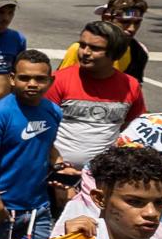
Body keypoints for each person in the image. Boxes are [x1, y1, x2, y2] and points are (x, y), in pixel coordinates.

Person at [0, 49, 65, 239]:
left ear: (50, 81)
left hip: (39, 208)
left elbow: (47, 146)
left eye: (40, 79)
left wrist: (61, 169)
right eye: (25, 78)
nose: (32, 84)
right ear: (13, 79)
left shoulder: (54, 111)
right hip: (4, 209)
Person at [45, 20, 146, 169]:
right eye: (82, 45)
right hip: (57, 172)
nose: (85, 52)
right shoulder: (57, 81)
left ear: (115, 53)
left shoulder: (131, 86)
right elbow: (42, 129)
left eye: (95, 48)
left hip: (103, 175)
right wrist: (59, 165)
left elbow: (132, 127)